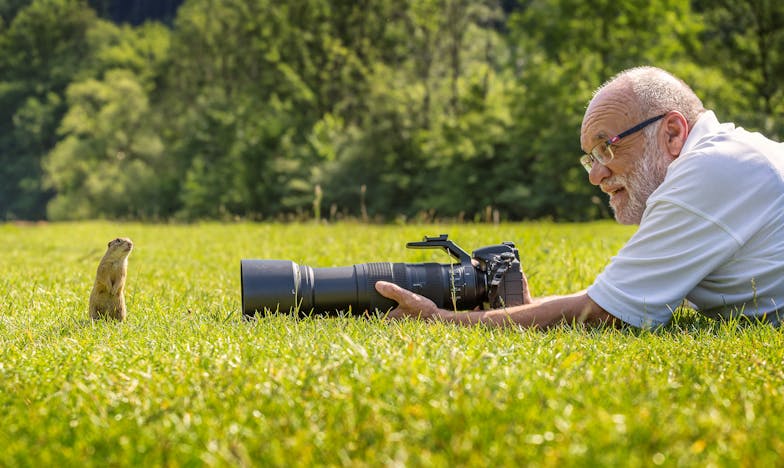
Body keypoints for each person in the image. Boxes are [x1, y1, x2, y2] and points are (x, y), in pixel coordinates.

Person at [375, 66, 784, 328]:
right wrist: (516, 313)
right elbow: (613, 295)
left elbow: (608, 311)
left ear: (673, 133)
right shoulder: (727, 156)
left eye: (608, 147)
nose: (595, 175)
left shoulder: (711, 170)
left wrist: (443, 320)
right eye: (589, 157)